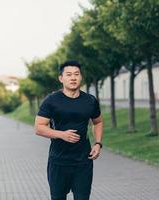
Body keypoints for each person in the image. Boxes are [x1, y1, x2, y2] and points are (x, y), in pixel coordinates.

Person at [34, 60, 103, 200]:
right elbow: (39, 127)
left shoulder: (90, 100)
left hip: (83, 160)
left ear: (81, 77)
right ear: (61, 78)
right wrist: (61, 135)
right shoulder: (52, 100)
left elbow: (98, 121)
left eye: (76, 74)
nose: (73, 78)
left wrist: (98, 143)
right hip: (59, 161)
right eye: (69, 74)